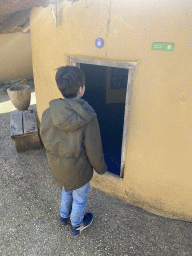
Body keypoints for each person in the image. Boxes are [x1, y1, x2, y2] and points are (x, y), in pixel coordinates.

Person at [40, 65, 107, 236]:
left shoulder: (48, 112)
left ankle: (63, 217)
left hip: (59, 167)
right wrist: (101, 168)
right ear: (81, 88)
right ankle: (76, 225)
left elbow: (46, 138)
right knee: (79, 197)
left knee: (66, 188)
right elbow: (94, 149)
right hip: (79, 169)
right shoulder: (88, 117)